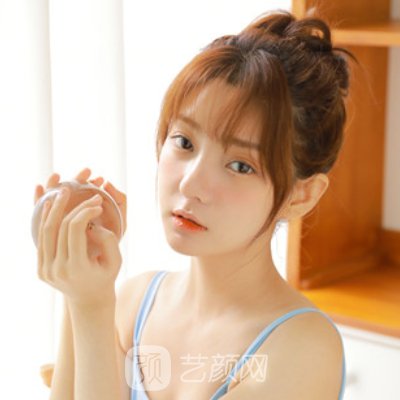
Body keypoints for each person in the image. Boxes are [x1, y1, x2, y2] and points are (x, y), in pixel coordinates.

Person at [34, 9, 353, 400]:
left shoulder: (303, 348)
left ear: (301, 195)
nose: (190, 183)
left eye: (240, 165)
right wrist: (77, 291)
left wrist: (90, 307)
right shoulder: (133, 304)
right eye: (184, 142)